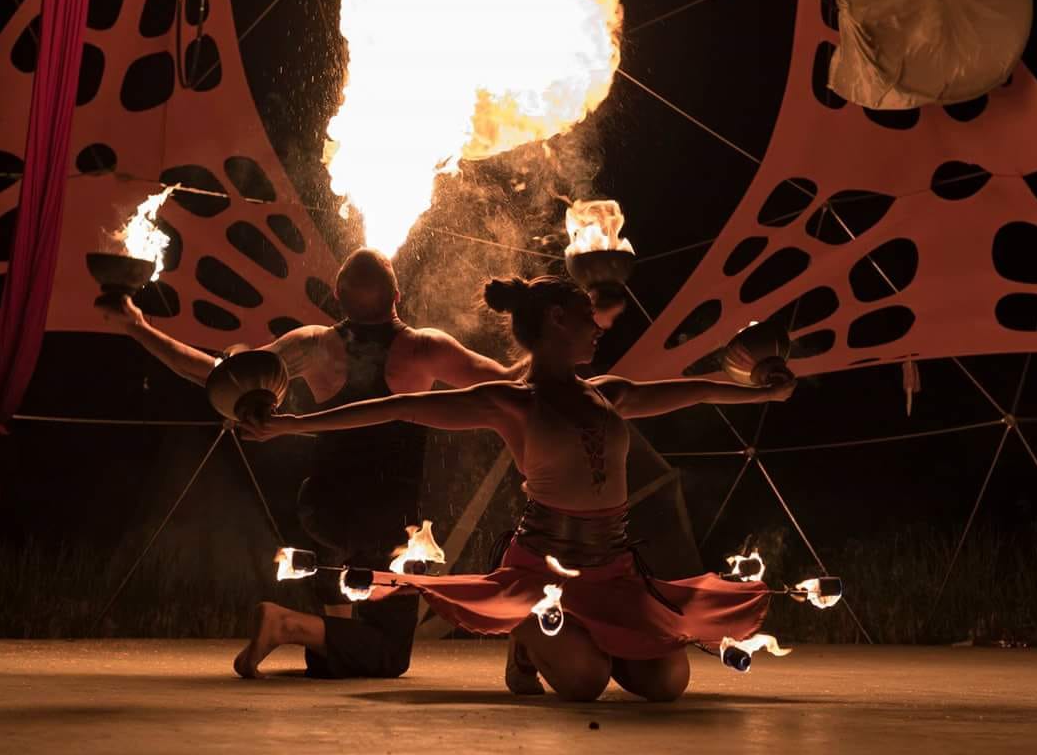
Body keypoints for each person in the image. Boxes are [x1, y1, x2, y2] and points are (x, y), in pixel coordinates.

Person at [239, 275, 795, 702]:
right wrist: (289, 423)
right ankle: (528, 636)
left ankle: (583, 638)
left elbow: (696, 390)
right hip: (544, 573)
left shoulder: (612, 394)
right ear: (556, 319)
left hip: (613, 572)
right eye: (587, 317)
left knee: (668, 683)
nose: (598, 327)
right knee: (583, 684)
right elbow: (399, 406)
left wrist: (763, 394)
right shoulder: (510, 402)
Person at [97, 248, 523, 680]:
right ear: (398, 295)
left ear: (337, 295)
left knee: (332, 657)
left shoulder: (313, 344)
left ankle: (310, 633)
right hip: (386, 521)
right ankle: (286, 623)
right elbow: (510, 383)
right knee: (390, 657)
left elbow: (220, 374)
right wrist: (562, 338)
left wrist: (138, 327)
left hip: (325, 513)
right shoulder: (423, 347)